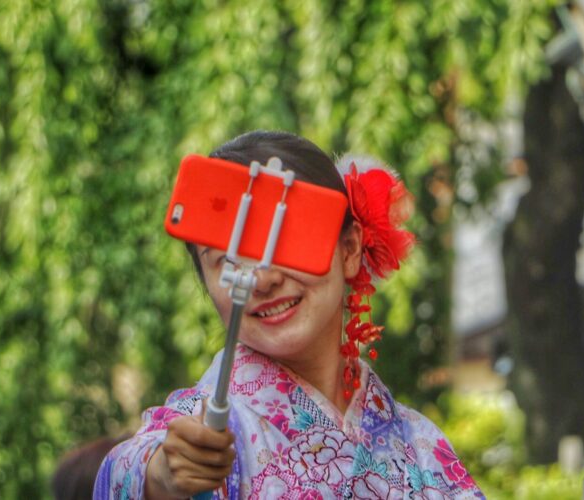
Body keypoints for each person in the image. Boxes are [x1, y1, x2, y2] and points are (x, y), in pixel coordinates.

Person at [94, 131, 482, 499]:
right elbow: (133, 468)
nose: (262, 278)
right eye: (228, 261)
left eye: (285, 242)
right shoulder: (205, 430)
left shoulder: (418, 440)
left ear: (348, 249)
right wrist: (163, 474)